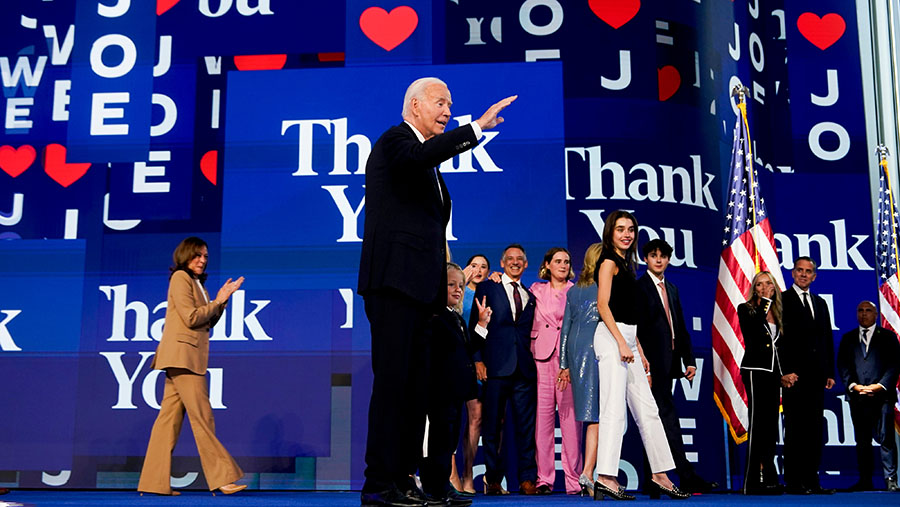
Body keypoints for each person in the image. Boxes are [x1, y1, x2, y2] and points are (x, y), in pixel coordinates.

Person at [357, 77, 515, 507]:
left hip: (423, 295)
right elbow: (422, 153)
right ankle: (379, 484)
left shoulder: (426, 164)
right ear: (414, 106)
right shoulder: (394, 141)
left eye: (452, 103)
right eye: (441, 102)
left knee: (417, 391)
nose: (448, 110)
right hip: (392, 286)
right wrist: (476, 128)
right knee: (393, 387)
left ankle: (408, 480)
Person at [137, 237, 246, 496]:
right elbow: (191, 317)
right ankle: (223, 478)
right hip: (183, 357)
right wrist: (218, 300)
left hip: (183, 357)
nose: (202, 260)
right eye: (198, 255)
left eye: (205, 256)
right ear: (185, 255)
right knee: (202, 417)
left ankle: (153, 483)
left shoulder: (197, 283)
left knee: (168, 422)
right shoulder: (181, 279)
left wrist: (221, 300)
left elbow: (208, 322)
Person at [592, 211, 688, 501]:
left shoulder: (627, 263)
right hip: (611, 338)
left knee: (648, 409)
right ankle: (606, 476)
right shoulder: (608, 261)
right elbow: (603, 305)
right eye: (620, 229)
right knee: (613, 409)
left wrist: (639, 350)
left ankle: (660, 475)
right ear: (610, 232)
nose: (627, 234)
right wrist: (622, 343)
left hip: (629, 340)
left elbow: (629, 313)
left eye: (631, 229)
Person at [636, 239, 717, 494]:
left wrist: (689, 359)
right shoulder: (640, 288)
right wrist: (643, 363)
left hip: (670, 364)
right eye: (653, 255)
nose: (658, 260)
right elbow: (635, 330)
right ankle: (676, 476)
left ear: (669, 259)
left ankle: (663, 478)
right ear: (645, 259)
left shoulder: (671, 287)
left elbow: (679, 327)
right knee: (658, 420)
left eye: (663, 256)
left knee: (663, 419)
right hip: (648, 365)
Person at [470, 244, 539, 495]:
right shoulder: (488, 287)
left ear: (526, 264)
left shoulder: (530, 294)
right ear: (502, 263)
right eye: (510, 259)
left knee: (526, 427)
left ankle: (527, 479)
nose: (515, 262)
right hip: (495, 368)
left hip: (524, 370)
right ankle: (493, 479)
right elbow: (474, 326)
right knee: (492, 427)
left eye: (520, 259)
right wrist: (478, 360)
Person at [420, 263, 491, 507]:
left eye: (461, 285)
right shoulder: (434, 317)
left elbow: (466, 349)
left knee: (448, 441)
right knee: (437, 443)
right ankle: (434, 489)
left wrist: (481, 324)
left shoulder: (455, 317)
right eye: (451, 284)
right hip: (437, 392)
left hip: (455, 393)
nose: (458, 289)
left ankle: (443, 488)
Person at [779, 257, 835, 495]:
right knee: (794, 429)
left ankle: (812, 481)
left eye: (808, 271)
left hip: (816, 377)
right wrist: (783, 371)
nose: (803, 274)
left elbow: (826, 339)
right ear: (793, 273)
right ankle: (793, 482)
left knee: (814, 430)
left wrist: (829, 372)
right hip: (793, 377)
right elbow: (777, 340)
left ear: (814, 276)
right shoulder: (781, 299)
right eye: (799, 270)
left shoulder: (820, 303)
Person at [529, 247, 580, 494]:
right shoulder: (536, 290)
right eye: (557, 261)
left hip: (568, 364)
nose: (563, 265)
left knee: (571, 424)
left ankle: (573, 481)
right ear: (547, 264)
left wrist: (570, 362)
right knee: (543, 423)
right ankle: (544, 480)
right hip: (541, 360)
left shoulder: (577, 291)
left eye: (567, 261)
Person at [837, 301, 900, 492]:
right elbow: (843, 365)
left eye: (868, 311)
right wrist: (854, 386)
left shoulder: (888, 337)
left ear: (876, 314)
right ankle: (865, 480)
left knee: (886, 439)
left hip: (882, 398)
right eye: (861, 311)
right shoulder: (848, 338)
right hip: (858, 398)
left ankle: (891, 479)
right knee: (862, 440)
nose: (864, 314)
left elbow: (894, 364)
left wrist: (879, 386)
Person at [559, 242, 602, 497]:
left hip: (577, 352)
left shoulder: (574, 291)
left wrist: (564, 364)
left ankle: (589, 471)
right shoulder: (605, 286)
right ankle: (590, 472)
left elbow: (565, 330)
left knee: (595, 416)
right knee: (601, 415)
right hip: (597, 349)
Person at [738, 271, 783, 496]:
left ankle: (770, 478)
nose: (764, 288)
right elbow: (754, 332)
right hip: (755, 371)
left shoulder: (779, 312)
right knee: (757, 425)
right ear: (754, 289)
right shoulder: (746, 309)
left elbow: (779, 347)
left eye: (768, 284)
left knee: (770, 426)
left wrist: (784, 373)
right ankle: (751, 481)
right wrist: (764, 302)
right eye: (759, 285)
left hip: (774, 374)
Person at [450, 254, 490, 496]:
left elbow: (476, 336)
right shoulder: (455, 294)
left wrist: (478, 360)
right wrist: (460, 281)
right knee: (451, 418)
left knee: (475, 418)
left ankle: (467, 475)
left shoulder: (486, 296)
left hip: (475, 363)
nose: (478, 270)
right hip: (454, 364)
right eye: (474, 265)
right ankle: (451, 473)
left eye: (484, 267)